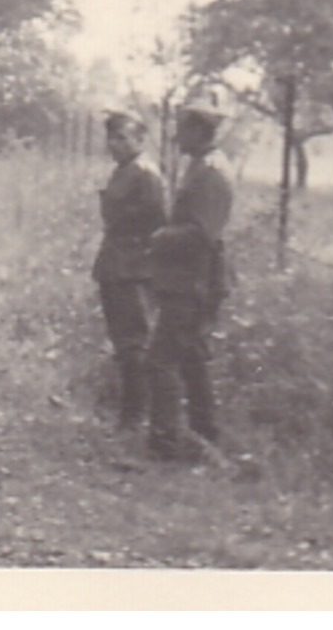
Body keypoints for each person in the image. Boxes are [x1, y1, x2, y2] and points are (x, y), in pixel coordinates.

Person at [146, 100, 234, 460]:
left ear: (200, 131)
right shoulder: (200, 166)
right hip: (187, 279)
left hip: (193, 281)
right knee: (193, 356)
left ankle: (165, 444)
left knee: (161, 359)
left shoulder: (210, 172)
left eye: (182, 127)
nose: (175, 134)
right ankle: (204, 436)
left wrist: (158, 237)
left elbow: (202, 234)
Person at [92, 110, 168, 430]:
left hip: (135, 268)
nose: (116, 144)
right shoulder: (123, 171)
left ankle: (135, 415)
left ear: (141, 139)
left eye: (123, 137)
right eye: (112, 137)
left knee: (134, 341)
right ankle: (130, 410)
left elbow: (157, 222)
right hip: (116, 264)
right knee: (123, 340)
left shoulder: (145, 173)